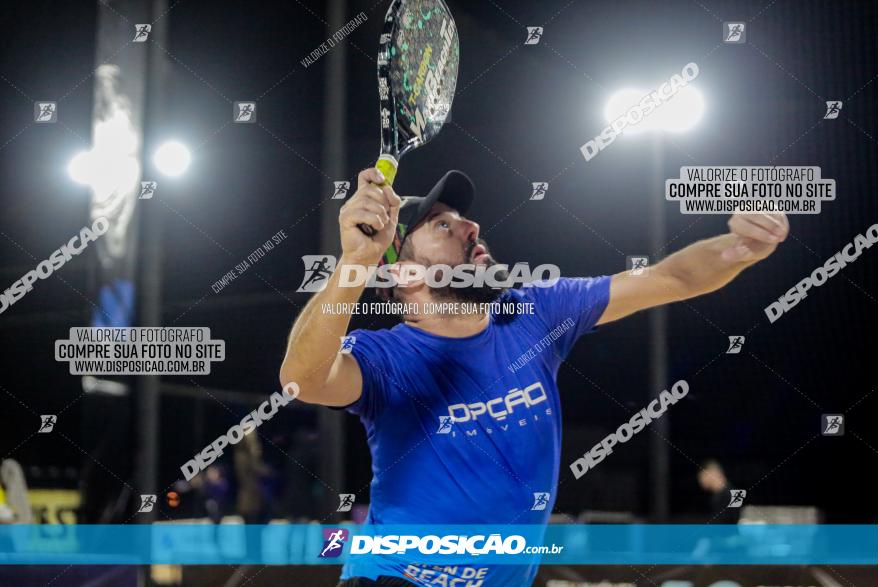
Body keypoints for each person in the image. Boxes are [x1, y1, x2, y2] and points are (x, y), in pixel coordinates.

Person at [279, 167, 789, 586]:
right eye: (441, 226)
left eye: (462, 218)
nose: (469, 227)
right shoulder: (385, 357)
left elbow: (670, 278)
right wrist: (355, 262)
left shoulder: (534, 312)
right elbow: (302, 379)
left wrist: (738, 250)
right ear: (402, 273)